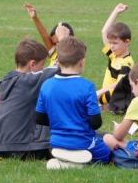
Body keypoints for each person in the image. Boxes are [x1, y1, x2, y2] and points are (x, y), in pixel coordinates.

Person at [36, 37, 111, 168]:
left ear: (58, 61)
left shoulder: (47, 85)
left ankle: (64, 161)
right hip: (83, 143)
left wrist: (59, 120)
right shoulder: (87, 87)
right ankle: (78, 163)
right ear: (82, 62)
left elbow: (39, 118)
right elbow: (96, 123)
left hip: (56, 143)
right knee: (107, 153)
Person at [0, 38, 62, 159]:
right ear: (32, 64)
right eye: (42, 65)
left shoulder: (8, 80)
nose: (43, 68)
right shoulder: (28, 81)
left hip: (2, 146)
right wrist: (62, 40)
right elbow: (62, 67)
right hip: (23, 149)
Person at [98, 3, 134, 107]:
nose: (111, 46)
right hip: (104, 101)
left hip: (112, 104)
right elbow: (104, 31)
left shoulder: (127, 63)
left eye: (115, 43)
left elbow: (118, 86)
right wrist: (116, 11)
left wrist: (99, 95)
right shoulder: (114, 55)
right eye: (110, 43)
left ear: (127, 42)